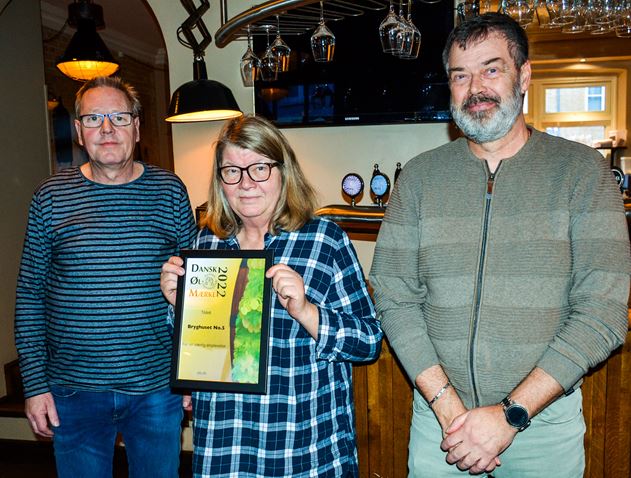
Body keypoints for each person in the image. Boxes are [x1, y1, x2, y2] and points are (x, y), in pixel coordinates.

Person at [369, 12, 630, 478]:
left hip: (542, 427)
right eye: (460, 75)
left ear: (524, 76)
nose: (475, 88)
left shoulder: (583, 172)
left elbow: (602, 312)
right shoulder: (419, 177)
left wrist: (510, 414)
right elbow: (393, 296)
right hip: (441, 425)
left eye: (491, 69)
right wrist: (448, 407)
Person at [160, 114, 382, 477]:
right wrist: (178, 305)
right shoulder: (207, 243)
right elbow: (201, 347)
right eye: (232, 171)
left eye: (259, 168)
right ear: (220, 180)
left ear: (283, 171)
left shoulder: (323, 240)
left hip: (304, 450)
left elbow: (369, 341)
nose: (246, 183)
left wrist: (308, 312)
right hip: (226, 447)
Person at [14, 76, 197, 477]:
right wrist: (35, 384)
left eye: (119, 117)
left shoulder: (170, 191)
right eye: (94, 118)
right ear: (79, 131)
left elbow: (195, 290)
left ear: (137, 126)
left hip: (156, 389)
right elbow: (29, 294)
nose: (108, 128)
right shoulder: (50, 196)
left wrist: (192, 373)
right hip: (73, 391)